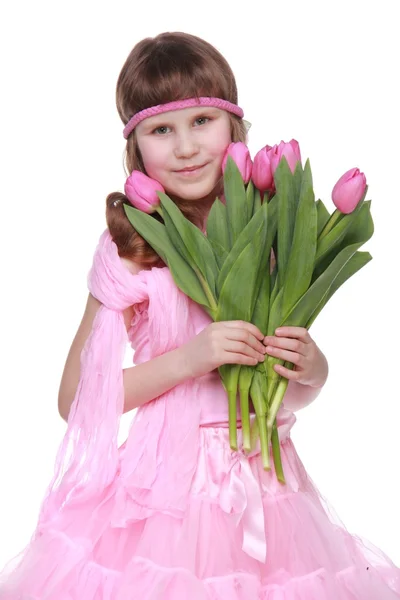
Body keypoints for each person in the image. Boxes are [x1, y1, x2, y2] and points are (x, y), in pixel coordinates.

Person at [0, 31, 399, 600]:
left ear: (233, 128)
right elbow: (75, 398)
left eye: (202, 122)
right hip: (163, 493)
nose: (186, 147)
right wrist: (190, 358)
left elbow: (286, 393)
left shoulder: (272, 233)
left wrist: (311, 367)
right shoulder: (131, 249)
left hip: (268, 487)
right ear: (136, 148)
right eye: (162, 130)